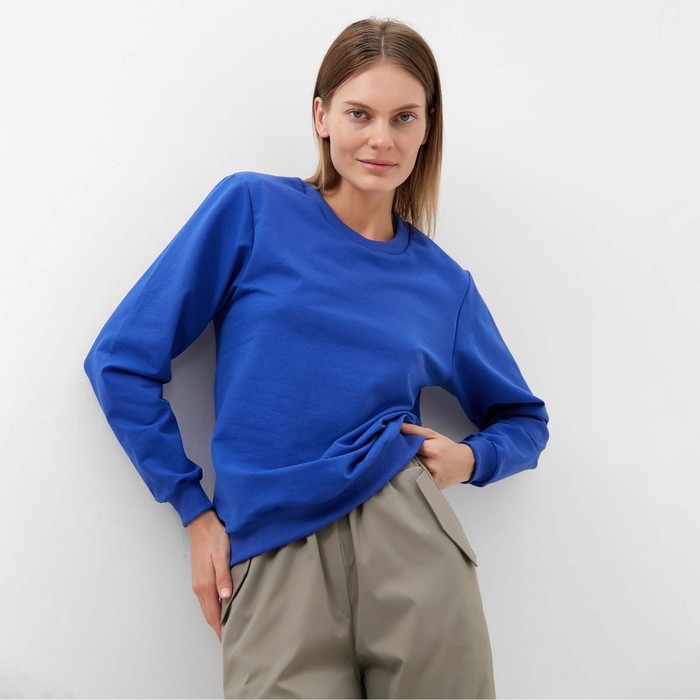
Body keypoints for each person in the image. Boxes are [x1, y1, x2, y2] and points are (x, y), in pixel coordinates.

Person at [84, 16, 549, 700]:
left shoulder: (443, 285)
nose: (381, 138)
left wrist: (471, 460)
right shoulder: (253, 209)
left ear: (427, 129)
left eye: (404, 117)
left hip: (409, 537)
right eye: (360, 113)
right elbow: (120, 362)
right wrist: (193, 511)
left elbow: (524, 419)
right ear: (321, 116)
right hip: (272, 549)